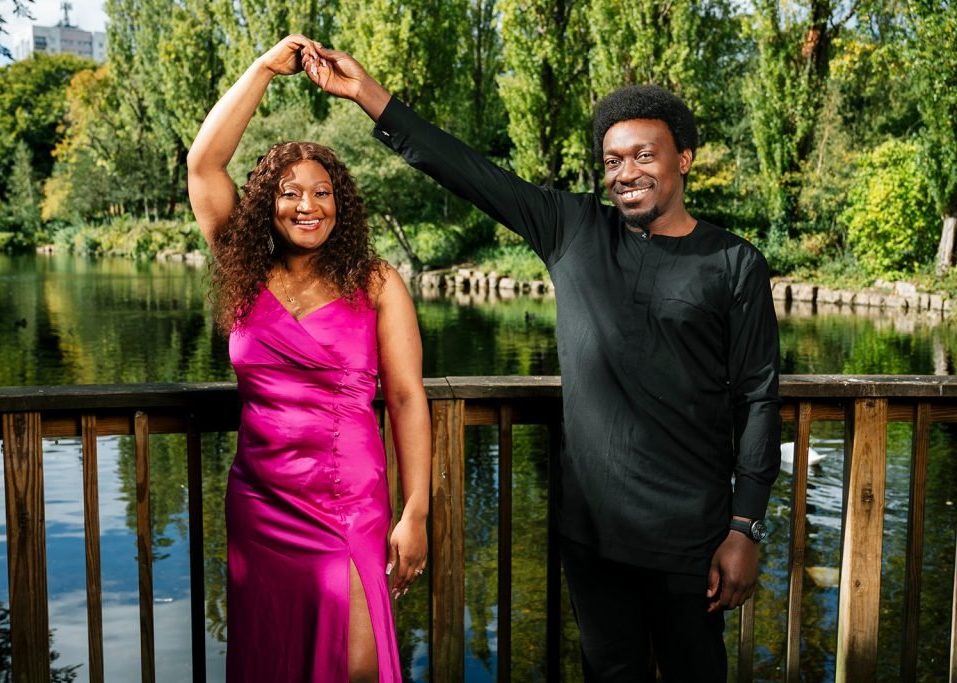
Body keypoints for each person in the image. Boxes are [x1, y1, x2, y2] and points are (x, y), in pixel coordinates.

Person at [301, 43, 781, 682]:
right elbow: (467, 170)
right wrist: (370, 96)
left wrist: (745, 526)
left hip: (690, 538)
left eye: (644, 155)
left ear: (683, 160)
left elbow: (757, 397)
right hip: (594, 536)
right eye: (612, 160)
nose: (626, 172)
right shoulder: (573, 229)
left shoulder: (733, 263)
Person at [187, 35, 430, 683]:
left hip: (348, 501)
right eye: (290, 192)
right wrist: (265, 69)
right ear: (268, 202)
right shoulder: (245, 272)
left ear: (341, 204)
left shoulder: (376, 282)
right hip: (260, 503)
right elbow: (203, 167)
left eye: (322, 193)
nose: (306, 205)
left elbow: (407, 397)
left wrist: (416, 510)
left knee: (355, 663)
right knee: (273, 660)